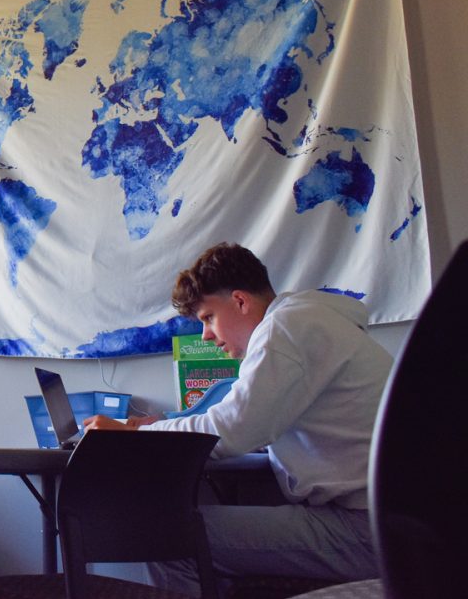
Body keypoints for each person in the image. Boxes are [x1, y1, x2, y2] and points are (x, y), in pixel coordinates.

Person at [84, 242, 391, 596]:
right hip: (387, 519)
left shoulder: (286, 329)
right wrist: (152, 429)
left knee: (165, 533)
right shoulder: (310, 321)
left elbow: (228, 429)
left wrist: (132, 435)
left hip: (370, 530)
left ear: (240, 301)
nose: (206, 336)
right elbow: (253, 423)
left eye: (208, 317)